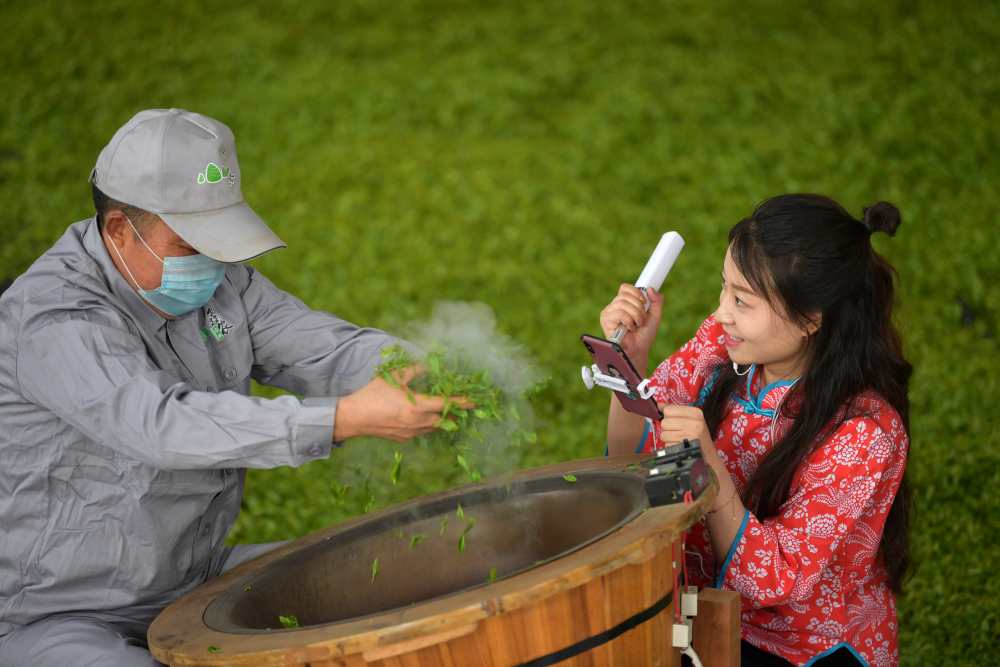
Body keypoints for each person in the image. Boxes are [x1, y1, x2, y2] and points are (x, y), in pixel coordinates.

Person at [0, 109, 463, 667]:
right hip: (56, 612)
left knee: (386, 576)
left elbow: (316, 346)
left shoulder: (224, 283)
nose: (212, 262)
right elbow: (161, 425)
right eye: (190, 244)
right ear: (120, 230)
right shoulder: (53, 317)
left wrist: (412, 368)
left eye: (219, 242)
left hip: (194, 582)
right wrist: (340, 419)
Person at [601, 194, 911, 667]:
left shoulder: (863, 433)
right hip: (699, 609)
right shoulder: (723, 345)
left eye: (742, 300)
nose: (721, 313)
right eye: (724, 289)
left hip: (799, 647)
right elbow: (631, 464)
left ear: (810, 319)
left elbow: (769, 583)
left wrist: (706, 464)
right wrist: (630, 361)